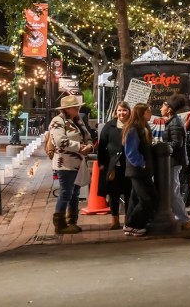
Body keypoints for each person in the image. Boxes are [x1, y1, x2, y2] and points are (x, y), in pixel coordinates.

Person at [48, 95, 94, 235]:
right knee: (66, 193)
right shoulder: (57, 121)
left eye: (78, 106)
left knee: (75, 193)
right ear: (67, 109)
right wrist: (80, 147)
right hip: (65, 163)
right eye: (75, 106)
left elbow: (88, 137)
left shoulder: (78, 120)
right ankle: (60, 224)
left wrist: (90, 146)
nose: (78, 108)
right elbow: (60, 141)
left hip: (78, 163)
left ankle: (72, 221)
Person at [153, 94, 190, 230]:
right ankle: (179, 217)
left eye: (163, 106)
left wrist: (160, 144)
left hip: (174, 161)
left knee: (173, 190)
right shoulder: (171, 121)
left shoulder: (175, 122)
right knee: (172, 189)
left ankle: (184, 218)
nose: (161, 108)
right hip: (171, 161)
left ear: (169, 109)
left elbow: (177, 143)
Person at [121, 103, 156, 236]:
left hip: (141, 170)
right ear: (141, 113)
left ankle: (131, 224)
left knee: (135, 198)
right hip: (137, 170)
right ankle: (132, 224)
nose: (150, 113)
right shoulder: (133, 128)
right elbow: (130, 151)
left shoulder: (142, 127)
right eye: (148, 111)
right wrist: (141, 163)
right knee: (147, 198)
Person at [96, 101, 130, 230]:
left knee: (129, 193)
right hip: (113, 165)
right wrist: (102, 163)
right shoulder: (109, 126)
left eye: (124, 110)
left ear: (129, 111)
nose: (122, 113)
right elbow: (102, 146)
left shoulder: (133, 125)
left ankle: (128, 219)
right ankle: (115, 219)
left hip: (129, 165)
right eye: (120, 110)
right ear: (116, 112)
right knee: (113, 193)